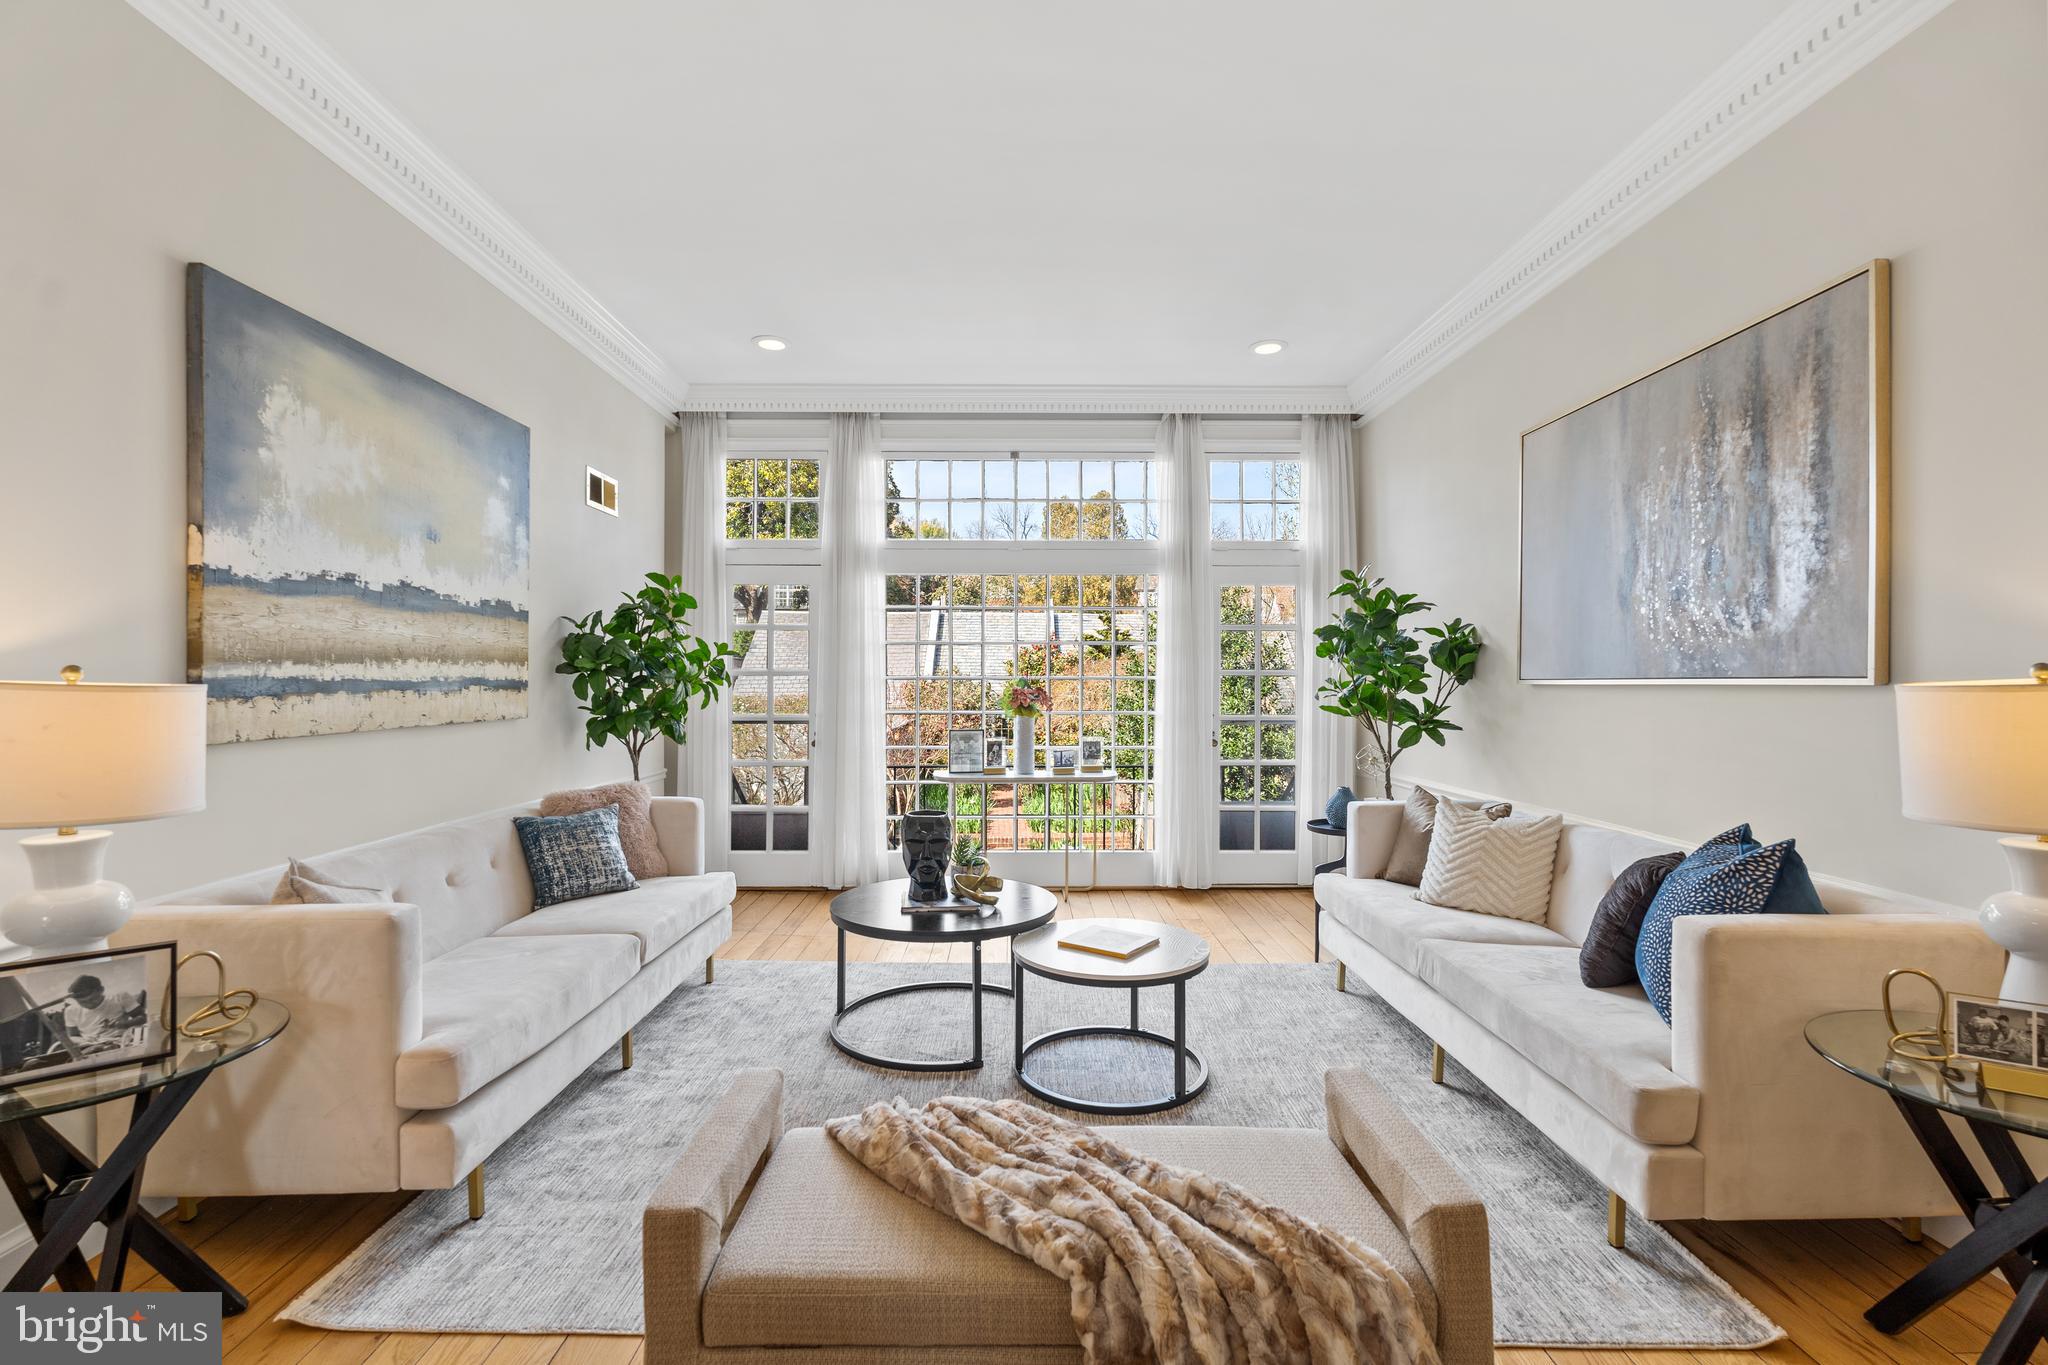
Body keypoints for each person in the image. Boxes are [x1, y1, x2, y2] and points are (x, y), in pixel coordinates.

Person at [57, 975, 147, 1053]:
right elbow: (73, 1036)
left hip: (119, 1043)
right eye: (82, 1002)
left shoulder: (119, 997)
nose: (89, 1004)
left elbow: (143, 1018)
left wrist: (124, 1024)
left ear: (101, 990)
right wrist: (84, 1040)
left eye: (92, 999)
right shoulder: (70, 1010)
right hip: (89, 1046)